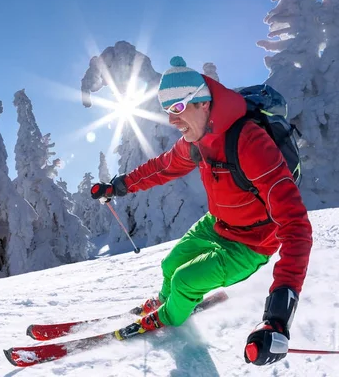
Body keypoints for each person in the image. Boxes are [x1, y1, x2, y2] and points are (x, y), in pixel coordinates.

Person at [91, 56, 312, 366]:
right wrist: (119, 186)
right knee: (170, 265)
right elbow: (162, 167)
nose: (171, 120)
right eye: (168, 111)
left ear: (203, 103)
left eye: (178, 109)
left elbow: (296, 227)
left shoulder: (250, 142)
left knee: (183, 280)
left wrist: (278, 316)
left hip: (251, 243)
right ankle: (169, 302)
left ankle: (169, 316)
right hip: (217, 224)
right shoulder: (196, 139)